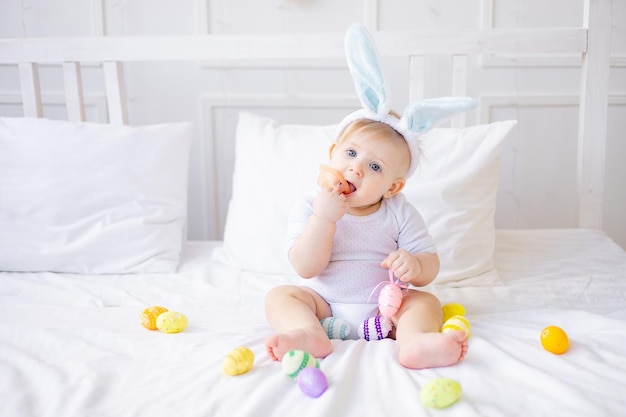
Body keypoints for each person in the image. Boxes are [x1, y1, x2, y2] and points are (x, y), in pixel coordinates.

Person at [263, 115, 469, 369]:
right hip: (322, 305)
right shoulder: (311, 204)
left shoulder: (399, 212)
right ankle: (308, 333)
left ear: (392, 188)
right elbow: (305, 267)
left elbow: (430, 264)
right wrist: (323, 218)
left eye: (375, 167)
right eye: (351, 153)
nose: (356, 168)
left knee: (425, 302)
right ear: (332, 152)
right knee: (280, 297)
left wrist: (416, 264)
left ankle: (414, 342)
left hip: (385, 310)